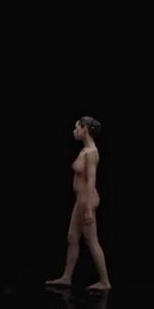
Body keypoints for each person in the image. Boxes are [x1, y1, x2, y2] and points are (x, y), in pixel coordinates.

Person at [46, 116, 112, 292]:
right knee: (72, 237)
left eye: (76, 127)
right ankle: (66, 277)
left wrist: (89, 207)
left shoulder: (91, 153)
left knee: (91, 240)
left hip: (86, 201)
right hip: (80, 201)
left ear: (85, 129)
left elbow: (91, 180)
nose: (74, 131)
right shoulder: (84, 150)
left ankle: (105, 281)